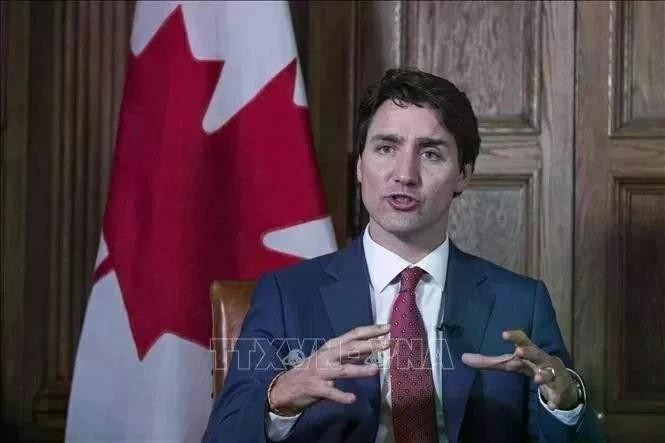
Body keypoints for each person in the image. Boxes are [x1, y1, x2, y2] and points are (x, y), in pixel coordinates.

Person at [203, 68, 602, 442]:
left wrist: (565, 402)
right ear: (360, 165)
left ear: (463, 174)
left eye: (430, 153)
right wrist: (282, 396)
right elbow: (224, 433)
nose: (405, 173)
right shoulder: (287, 296)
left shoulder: (520, 302)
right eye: (386, 148)